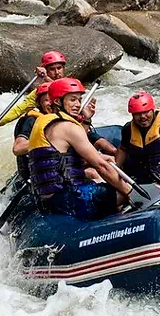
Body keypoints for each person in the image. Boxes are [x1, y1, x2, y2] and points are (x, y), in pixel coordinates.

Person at [28, 78, 132, 220]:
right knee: (121, 193)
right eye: (72, 100)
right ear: (58, 101)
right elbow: (101, 166)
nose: (78, 104)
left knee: (99, 183)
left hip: (47, 199)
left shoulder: (43, 123)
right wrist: (130, 192)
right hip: (68, 199)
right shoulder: (68, 127)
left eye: (79, 99)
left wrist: (87, 119)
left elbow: (68, 159)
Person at [0, 51, 82, 130]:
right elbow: (18, 110)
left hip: (73, 125)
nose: (57, 72)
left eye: (59, 68)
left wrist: (46, 78)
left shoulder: (73, 84)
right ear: (46, 71)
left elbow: (62, 89)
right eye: (52, 69)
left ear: (63, 68)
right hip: (54, 128)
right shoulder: (40, 92)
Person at [115, 91, 160, 185]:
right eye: (138, 114)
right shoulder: (128, 129)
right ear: (132, 115)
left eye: (146, 112)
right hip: (140, 174)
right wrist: (116, 170)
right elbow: (123, 149)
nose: (143, 117)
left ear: (152, 110)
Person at [11, 82, 53, 180]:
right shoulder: (31, 120)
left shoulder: (60, 118)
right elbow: (18, 148)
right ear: (39, 103)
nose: (50, 103)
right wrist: (50, 141)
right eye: (46, 100)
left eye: (53, 99)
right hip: (35, 172)